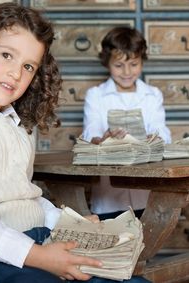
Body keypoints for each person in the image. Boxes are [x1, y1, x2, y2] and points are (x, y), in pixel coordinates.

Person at [0, 4, 150, 283]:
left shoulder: (16, 125)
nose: (15, 73)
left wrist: (70, 224)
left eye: (28, 66)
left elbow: (27, 198)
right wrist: (39, 256)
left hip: (37, 240)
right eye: (6, 55)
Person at [82, 26, 171, 220]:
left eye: (133, 64)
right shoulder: (95, 95)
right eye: (119, 65)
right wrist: (103, 138)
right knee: (112, 246)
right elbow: (90, 134)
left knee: (145, 247)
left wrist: (152, 138)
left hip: (146, 196)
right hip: (108, 198)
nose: (127, 72)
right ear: (107, 63)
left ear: (142, 62)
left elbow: (162, 133)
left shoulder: (153, 95)